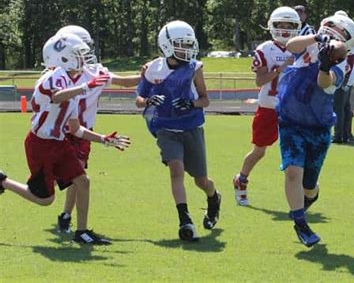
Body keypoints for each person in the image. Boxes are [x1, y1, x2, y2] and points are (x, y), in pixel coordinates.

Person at [0, 33, 130, 245]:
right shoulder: (53, 77)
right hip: (39, 144)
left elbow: (76, 130)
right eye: (78, 55)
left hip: (58, 143)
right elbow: (57, 95)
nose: (83, 60)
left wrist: (103, 139)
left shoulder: (71, 84)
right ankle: (3, 182)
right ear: (63, 58)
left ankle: (82, 232)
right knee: (46, 199)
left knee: (83, 181)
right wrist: (87, 87)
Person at [277, 14, 354, 247]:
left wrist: (324, 64)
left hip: (318, 126)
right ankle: (300, 223)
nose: (332, 34)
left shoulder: (346, 60)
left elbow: (325, 83)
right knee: (293, 172)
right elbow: (290, 45)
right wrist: (316, 37)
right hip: (291, 119)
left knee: (309, 187)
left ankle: (306, 201)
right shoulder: (311, 39)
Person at [135, 20, 221, 242]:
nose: (186, 49)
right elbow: (138, 99)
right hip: (166, 128)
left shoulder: (194, 68)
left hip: (191, 127)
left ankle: (213, 197)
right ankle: (185, 219)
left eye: (187, 44)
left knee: (201, 180)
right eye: (181, 44)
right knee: (176, 170)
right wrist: (148, 101)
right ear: (167, 45)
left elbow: (205, 100)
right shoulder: (153, 69)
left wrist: (191, 104)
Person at [54, 25, 141, 233]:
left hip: (84, 133)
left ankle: (66, 215)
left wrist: (146, 75)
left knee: (79, 174)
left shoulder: (96, 71)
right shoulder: (57, 75)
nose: (86, 53)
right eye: (82, 49)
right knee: (52, 185)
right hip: (59, 132)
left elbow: (124, 82)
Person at [232, 6, 300, 206]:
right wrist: (281, 68)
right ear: (273, 26)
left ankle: (301, 190)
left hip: (293, 110)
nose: (285, 29)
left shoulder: (301, 48)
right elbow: (260, 81)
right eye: (281, 25)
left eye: (290, 25)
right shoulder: (265, 49)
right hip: (268, 107)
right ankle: (241, 179)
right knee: (259, 150)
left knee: (295, 152)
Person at [329, 10, 354, 143]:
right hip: (349, 76)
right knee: (345, 107)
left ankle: (338, 135)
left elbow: (350, 61)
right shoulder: (350, 40)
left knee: (338, 107)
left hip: (343, 76)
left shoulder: (346, 43)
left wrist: (345, 79)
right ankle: (346, 134)